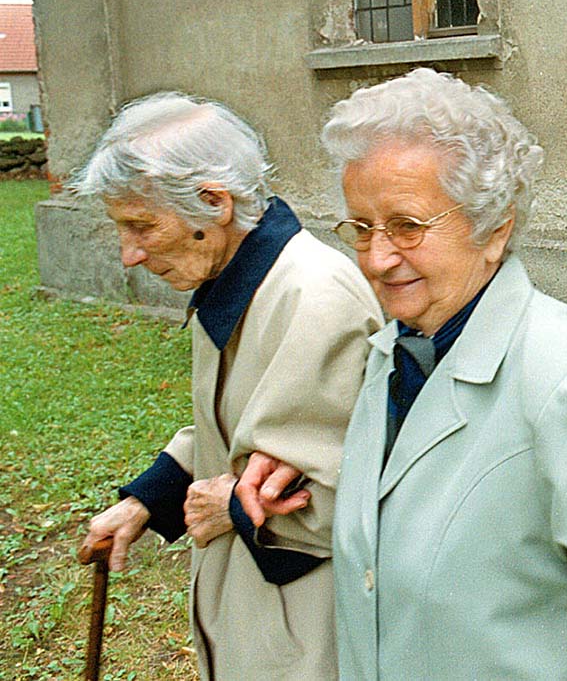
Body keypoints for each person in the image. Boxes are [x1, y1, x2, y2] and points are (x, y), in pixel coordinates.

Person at [237, 68, 567, 680]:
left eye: (407, 226)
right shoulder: (393, 354)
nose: (378, 257)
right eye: (361, 228)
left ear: (494, 229)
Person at [71, 93, 383, 679]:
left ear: (215, 203)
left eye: (141, 226)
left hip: (304, 628)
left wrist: (233, 507)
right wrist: (147, 501)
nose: (130, 254)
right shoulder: (234, 281)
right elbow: (233, 425)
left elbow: (358, 493)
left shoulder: (313, 299)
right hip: (255, 611)